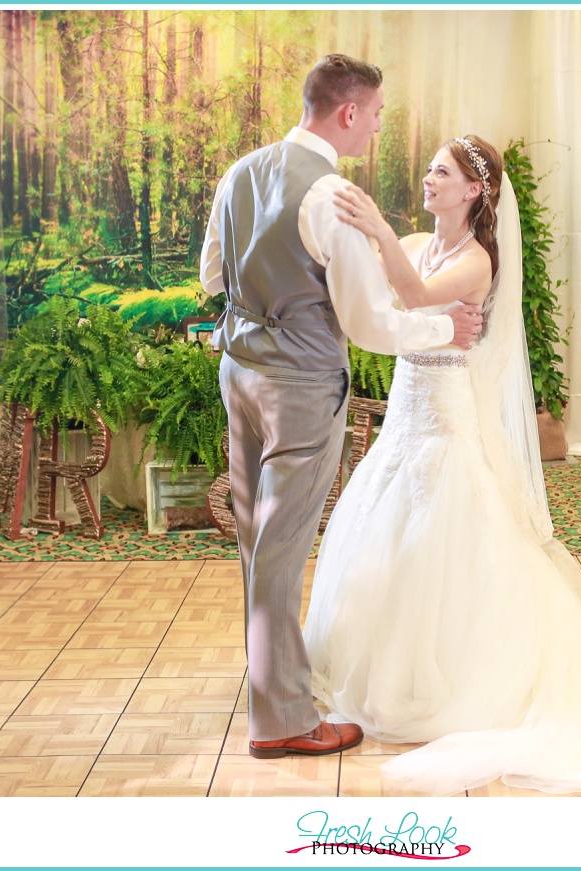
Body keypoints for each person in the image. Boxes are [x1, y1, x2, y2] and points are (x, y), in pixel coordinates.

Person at [304, 135, 581, 795]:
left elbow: (416, 295)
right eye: (428, 167)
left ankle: (449, 672)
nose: (427, 177)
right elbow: (383, 286)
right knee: (388, 528)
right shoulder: (422, 242)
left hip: (444, 414)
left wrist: (377, 230)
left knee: (446, 530)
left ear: (474, 190)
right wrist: (349, 233)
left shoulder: (476, 261)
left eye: (441, 171)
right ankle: (375, 664)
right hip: (406, 409)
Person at [198, 55, 485, 760]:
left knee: (255, 544)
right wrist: (445, 328)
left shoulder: (239, 173)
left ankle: (272, 685)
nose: (381, 126)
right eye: (379, 113)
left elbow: (212, 274)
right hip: (298, 386)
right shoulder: (330, 197)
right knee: (283, 547)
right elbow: (371, 327)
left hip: (239, 372)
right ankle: (283, 719)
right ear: (348, 112)